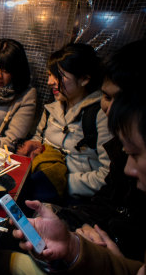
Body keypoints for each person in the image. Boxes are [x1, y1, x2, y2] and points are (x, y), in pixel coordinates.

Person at [11, 88, 146, 274]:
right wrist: (73, 246)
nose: (127, 169)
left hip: (75, 200)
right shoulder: (51, 108)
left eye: (135, 154)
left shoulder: (96, 116)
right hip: (84, 223)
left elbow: (102, 181)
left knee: (2, 259)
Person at [51, 39, 146, 260]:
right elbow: (107, 199)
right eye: (106, 96)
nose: (110, 109)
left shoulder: (99, 118)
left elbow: (104, 181)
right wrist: (69, 221)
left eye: (116, 99)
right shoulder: (55, 107)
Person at [18, 43, 112, 200]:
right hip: (40, 191)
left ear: (84, 79)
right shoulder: (51, 109)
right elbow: (39, 139)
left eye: (58, 76)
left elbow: (107, 176)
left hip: (75, 201)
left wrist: (57, 181)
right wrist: (34, 147)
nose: (50, 82)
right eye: (49, 75)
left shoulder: (100, 115)